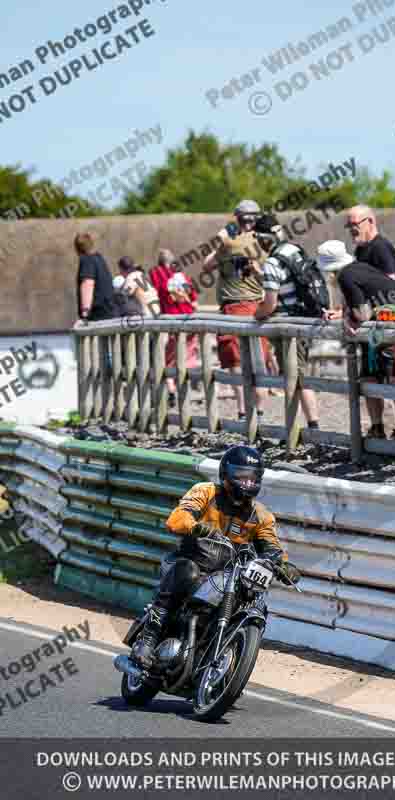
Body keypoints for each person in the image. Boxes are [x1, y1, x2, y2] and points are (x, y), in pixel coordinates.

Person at [132, 445, 299, 669]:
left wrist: (283, 565)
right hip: (191, 561)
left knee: (254, 599)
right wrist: (196, 527)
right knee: (187, 571)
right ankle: (148, 639)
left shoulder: (262, 515)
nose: (247, 482)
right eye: (241, 475)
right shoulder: (206, 491)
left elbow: (272, 546)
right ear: (226, 473)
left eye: (253, 477)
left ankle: (230, 663)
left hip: (228, 574)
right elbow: (177, 518)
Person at [322, 241, 395, 439]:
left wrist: (348, 317)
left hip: (389, 325)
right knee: (389, 377)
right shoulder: (359, 267)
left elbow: (362, 314)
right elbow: (369, 302)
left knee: (382, 377)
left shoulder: (345, 276)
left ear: (330, 270)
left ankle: (389, 428)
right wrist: (343, 313)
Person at [203, 200, 269, 421]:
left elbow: (207, 264)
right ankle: (258, 410)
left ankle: (243, 410)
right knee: (258, 362)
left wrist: (222, 240)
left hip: (234, 306)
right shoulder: (265, 240)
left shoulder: (230, 242)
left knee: (235, 363)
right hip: (257, 304)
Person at [254, 214, 321, 430]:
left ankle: (309, 427)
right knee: (300, 374)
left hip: (286, 326)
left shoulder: (273, 262)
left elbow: (270, 304)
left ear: (265, 238)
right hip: (303, 320)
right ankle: (308, 427)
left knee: (296, 378)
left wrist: (256, 315)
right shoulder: (294, 250)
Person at [149, 249, 199, 406]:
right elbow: (194, 300)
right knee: (188, 356)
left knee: (168, 359)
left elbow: (155, 293)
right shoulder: (181, 275)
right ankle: (184, 388)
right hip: (188, 319)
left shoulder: (156, 273)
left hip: (171, 320)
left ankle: (171, 388)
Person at [345, 206, 395, 284]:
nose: (352, 229)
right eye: (349, 225)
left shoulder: (380, 247)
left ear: (370, 221)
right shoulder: (360, 249)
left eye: (355, 224)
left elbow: (390, 284)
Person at [75, 233, 116, 323]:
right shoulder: (99, 258)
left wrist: (85, 315)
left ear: (77, 248)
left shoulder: (87, 260)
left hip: (98, 315)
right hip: (110, 311)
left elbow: (88, 284)